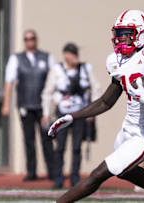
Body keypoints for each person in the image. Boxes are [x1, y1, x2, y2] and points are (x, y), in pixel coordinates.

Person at [48, 10, 144, 203]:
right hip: (128, 129)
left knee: (99, 174)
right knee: (124, 170)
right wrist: (72, 117)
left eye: (126, 33)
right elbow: (106, 101)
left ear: (143, 32)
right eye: (118, 34)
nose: (121, 39)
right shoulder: (116, 60)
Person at [42, 43, 101, 189]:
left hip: (79, 113)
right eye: (72, 53)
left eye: (76, 53)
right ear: (65, 55)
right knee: (60, 147)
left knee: (76, 147)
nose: (75, 56)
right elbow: (48, 92)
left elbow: (96, 89)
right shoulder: (57, 70)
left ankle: (75, 178)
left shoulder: (85, 69)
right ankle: (58, 178)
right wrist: (46, 113)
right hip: (62, 112)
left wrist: (92, 111)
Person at [2, 29, 55, 181]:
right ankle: (31, 172)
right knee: (29, 139)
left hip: (42, 106)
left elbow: (53, 79)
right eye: (26, 39)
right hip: (25, 104)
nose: (29, 41)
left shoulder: (46, 57)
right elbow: (9, 81)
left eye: (32, 38)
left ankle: (52, 171)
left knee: (47, 138)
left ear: (36, 40)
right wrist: (6, 103)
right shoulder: (16, 59)